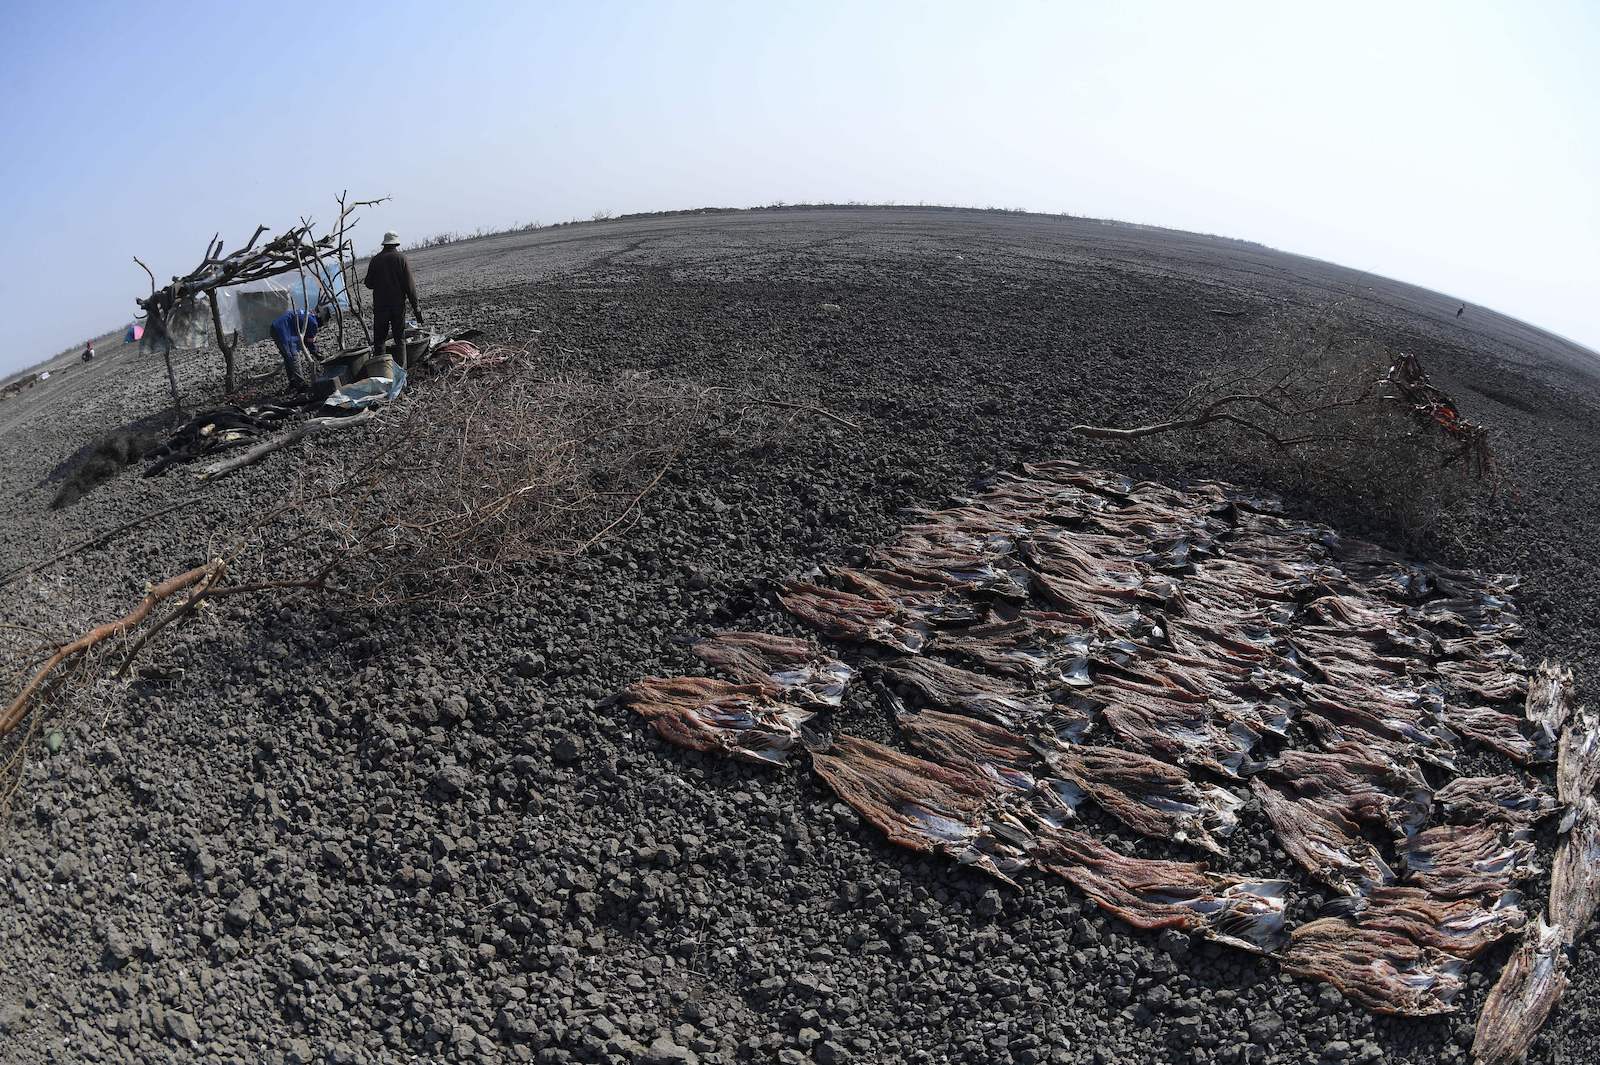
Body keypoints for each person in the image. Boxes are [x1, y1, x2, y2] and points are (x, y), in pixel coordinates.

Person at [363, 231, 424, 365]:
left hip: (380, 307)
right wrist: (416, 308)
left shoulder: (375, 260)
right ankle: (402, 371)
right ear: (396, 243)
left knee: (379, 341)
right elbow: (410, 287)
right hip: (398, 307)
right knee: (399, 339)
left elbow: (368, 283)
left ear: (384, 244)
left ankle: (382, 372)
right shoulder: (401, 258)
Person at [269, 304, 328, 391]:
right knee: (294, 357)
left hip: (275, 328)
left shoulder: (307, 315)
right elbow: (310, 343)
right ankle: (301, 385)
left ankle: (293, 382)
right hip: (283, 331)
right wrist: (317, 354)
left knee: (288, 358)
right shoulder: (313, 322)